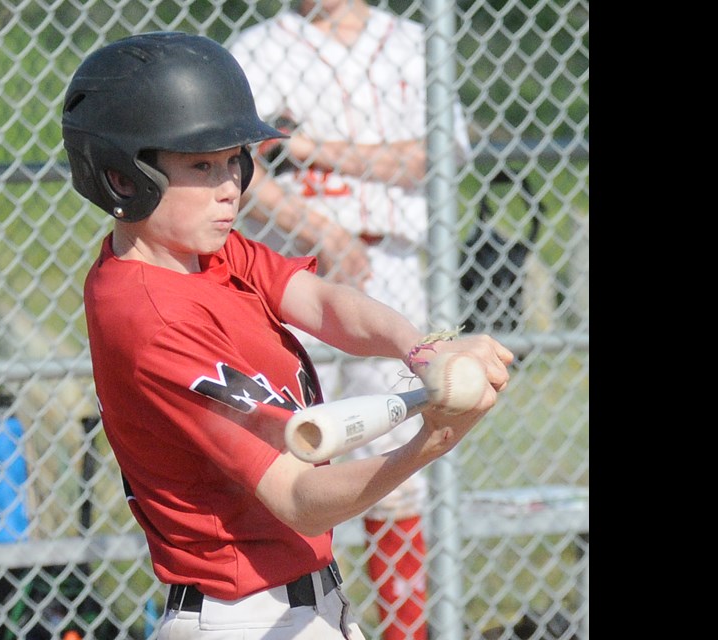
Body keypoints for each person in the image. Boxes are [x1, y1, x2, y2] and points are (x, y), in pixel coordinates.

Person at [61, 31, 512, 640]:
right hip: (243, 618)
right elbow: (299, 495)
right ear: (122, 178)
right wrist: (429, 443)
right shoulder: (150, 319)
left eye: (234, 162)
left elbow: (325, 306)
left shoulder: (201, 251)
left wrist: (423, 349)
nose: (231, 188)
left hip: (306, 606)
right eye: (202, 166)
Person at [229, 2, 470, 638]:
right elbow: (242, 170)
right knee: (289, 451)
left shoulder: (414, 43)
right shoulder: (257, 48)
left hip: (390, 263)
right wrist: (323, 233)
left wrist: (308, 148)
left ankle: (403, 629)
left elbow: (438, 155)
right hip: (288, 270)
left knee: (399, 460)